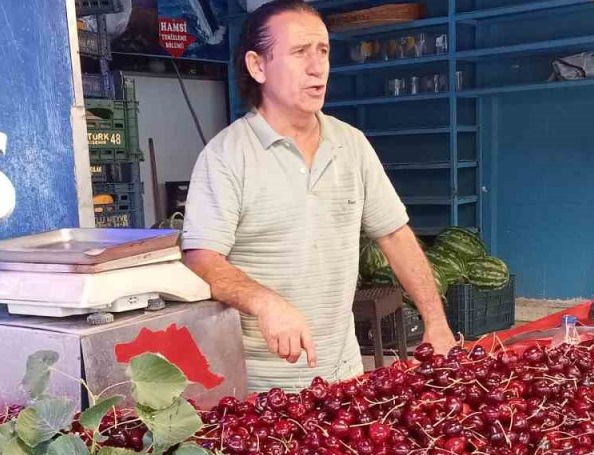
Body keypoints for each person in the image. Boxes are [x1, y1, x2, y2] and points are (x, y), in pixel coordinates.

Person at [180, 0, 457, 394]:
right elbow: (201, 258)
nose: (317, 67)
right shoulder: (227, 156)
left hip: (342, 371)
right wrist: (265, 301)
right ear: (258, 66)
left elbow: (394, 235)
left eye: (323, 51)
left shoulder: (351, 145)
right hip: (260, 385)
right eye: (298, 52)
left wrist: (435, 320)